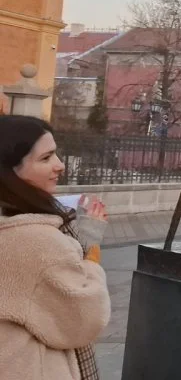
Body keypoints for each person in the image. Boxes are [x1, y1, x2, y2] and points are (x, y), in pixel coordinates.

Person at [0, 115, 111, 380]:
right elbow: (85, 318)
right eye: (46, 158)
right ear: (10, 171)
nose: (60, 165)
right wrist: (92, 249)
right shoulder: (35, 241)